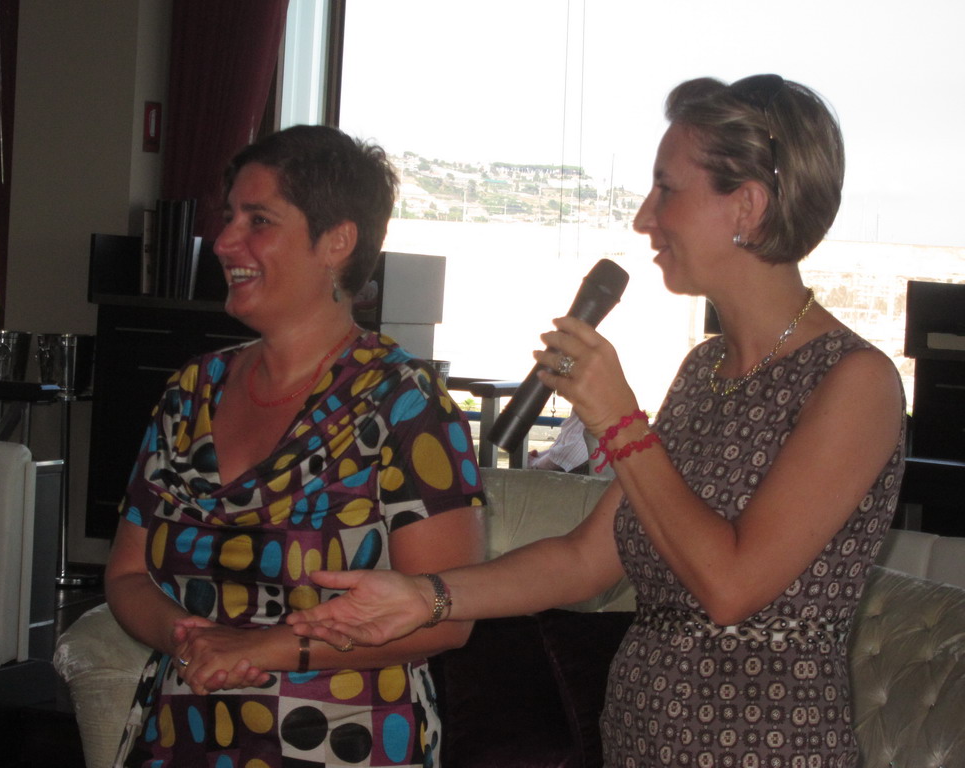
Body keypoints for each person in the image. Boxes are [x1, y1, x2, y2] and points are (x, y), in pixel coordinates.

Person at [286, 76, 906, 768]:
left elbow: (731, 587)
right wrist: (425, 596)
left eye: (666, 189)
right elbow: (585, 560)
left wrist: (618, 418)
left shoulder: (856, 382)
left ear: (749, 206)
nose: (644, 218)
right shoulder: (706, 371)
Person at [104, 125, 486, 768]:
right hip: (183, 732)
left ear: (337, 241)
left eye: (258, 220)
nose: (224, 241)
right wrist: (191, 639)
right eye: (229, 217)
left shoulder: (404, 404)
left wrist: (261, 649)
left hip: (343, 740)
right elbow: (125, 574)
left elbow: (448, 618)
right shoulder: (190, 391)